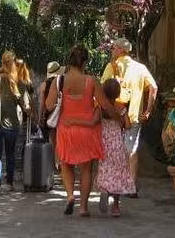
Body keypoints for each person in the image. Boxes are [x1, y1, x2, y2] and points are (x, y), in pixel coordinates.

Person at [45, 45, 119, 217]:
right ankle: (83, 208)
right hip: (88, 130)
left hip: (66, 129)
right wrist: (119, 118)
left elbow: (49, 105)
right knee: (86, 169)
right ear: (85, 62)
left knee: (66, 164)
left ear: (69, 61)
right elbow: (105, 105)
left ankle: (70, 196)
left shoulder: (59, 80)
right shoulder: (91, 81)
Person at [101, 38, 158, 197]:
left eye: (113, 48)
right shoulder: (141, 68)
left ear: (120, 50)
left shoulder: (111, 66)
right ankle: (131, 186)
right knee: (132, 150)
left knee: (113, 149)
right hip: (133, 117)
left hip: (113, 117)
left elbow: (102, 89)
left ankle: (113, 184)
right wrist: (148, 110)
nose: (112, 50)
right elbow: (154, 87)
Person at [0, 51, 30, 195]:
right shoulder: (18, 81)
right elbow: (24, 105)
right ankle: (9, 183)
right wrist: (31, 113)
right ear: (14, 62)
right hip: (12, 125)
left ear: (2, 62)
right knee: (10, 154)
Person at [93, 79, 135, 217]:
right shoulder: (121, 107)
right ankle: (116, 207)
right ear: (117, 93)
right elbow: (128, 125)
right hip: (117, 144)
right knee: (118, 172)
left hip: (103, 143)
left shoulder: (100, 107)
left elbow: (95, 121)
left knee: (105, 169)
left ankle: (105, 189)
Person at [38, 61, 65, 142]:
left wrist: (40, 118)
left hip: (50, 115)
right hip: (62, 114)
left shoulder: (44, 85)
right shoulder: (63, 82)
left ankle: (53, 154)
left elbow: (42, 103)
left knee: (52, 141)